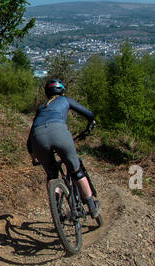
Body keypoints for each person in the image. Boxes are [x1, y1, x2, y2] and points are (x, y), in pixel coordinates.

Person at [27, 78, 100, 220]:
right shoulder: (65, 100)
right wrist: (92, 122)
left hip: (38, 138)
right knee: (76, 170)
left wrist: (32, 155)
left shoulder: (42, 108)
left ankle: (56, 211)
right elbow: (88, 114)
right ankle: (92, 206)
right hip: (59, 132)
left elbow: (30, 137)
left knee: (52, 175)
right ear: (62, 90)